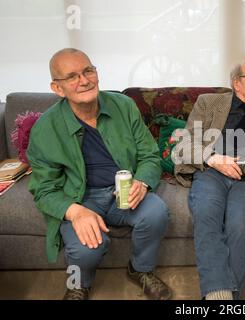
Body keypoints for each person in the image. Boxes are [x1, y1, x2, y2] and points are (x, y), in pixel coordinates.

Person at [27, 48, 171, 300]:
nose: (84, 80)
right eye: (72, 76)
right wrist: (75, 211)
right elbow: (43, 190)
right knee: (87, 250)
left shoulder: (124, 106)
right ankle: (77, 284)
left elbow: (149, 155)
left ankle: (140, 269)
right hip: (80, 198)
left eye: (88, 71)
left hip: (121, 192)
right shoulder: (44, 129)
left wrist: (142, 182)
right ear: (57, 88)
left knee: (156, 211)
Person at [173, 63, 245, 300]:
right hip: (212, 171)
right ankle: (220, 294)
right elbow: (185, 144)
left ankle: (225, 299)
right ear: (236, 82)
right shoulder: (208, 102)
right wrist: (214, 159)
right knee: (206, 212)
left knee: (240, 223)